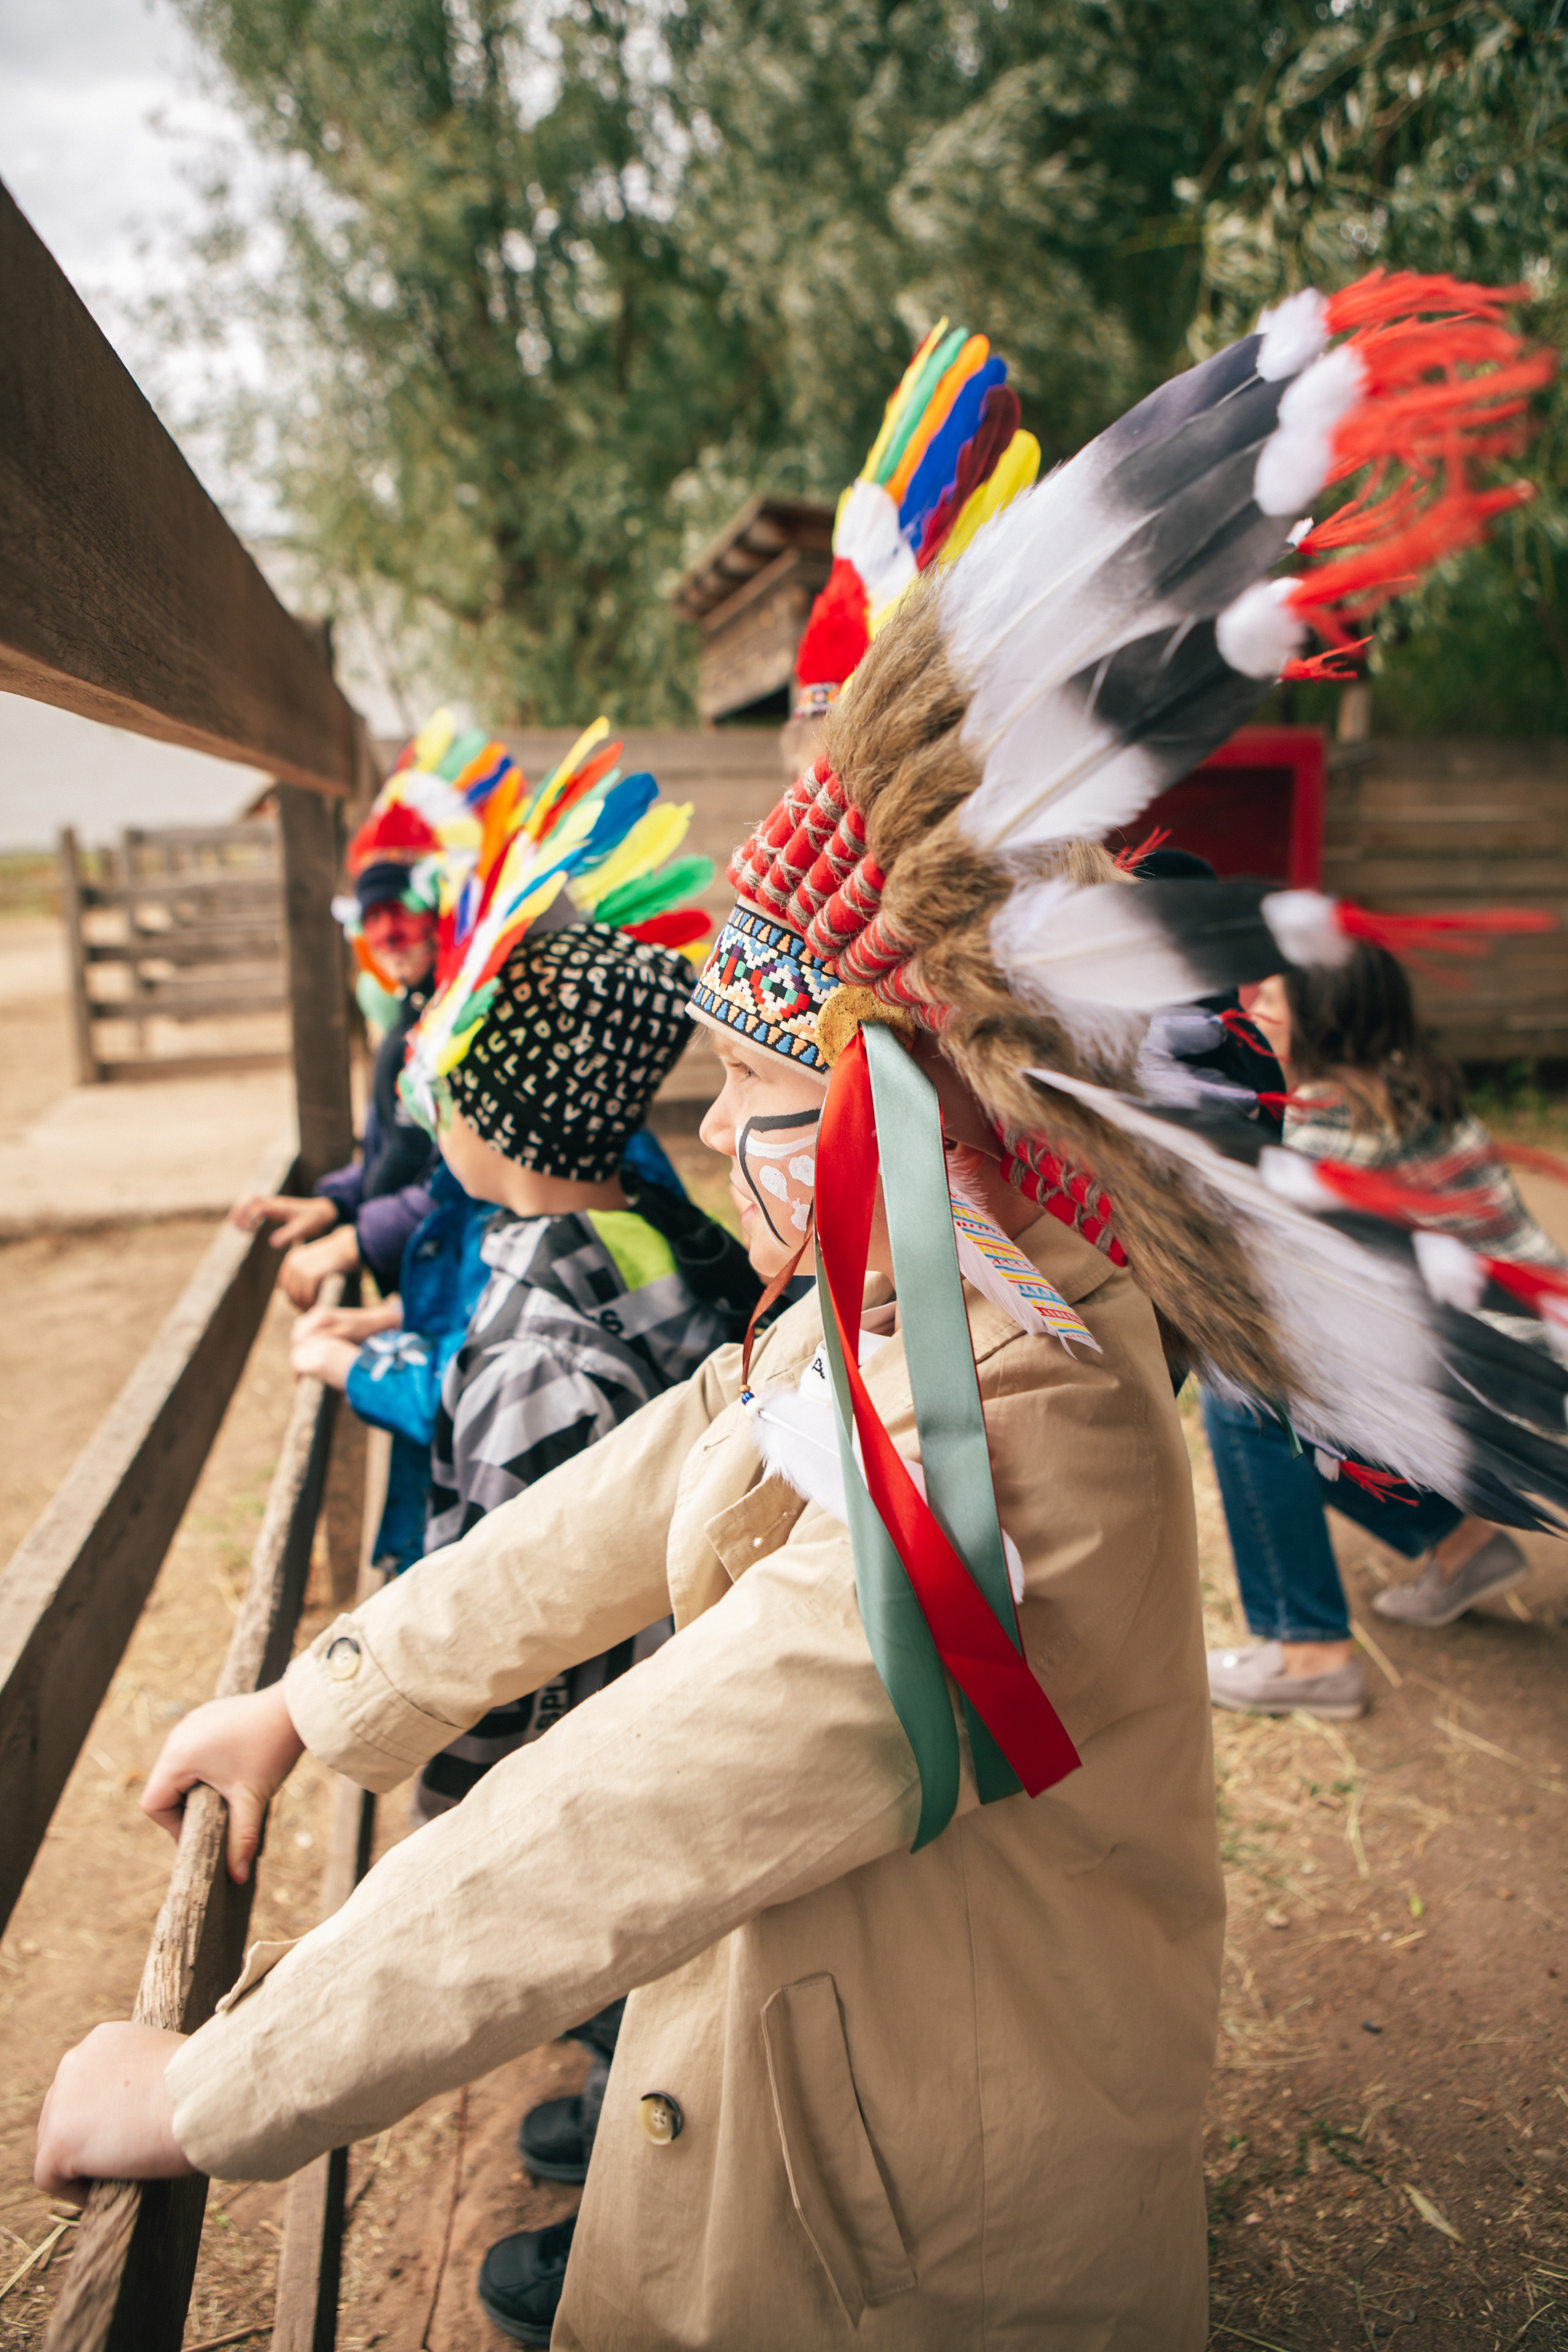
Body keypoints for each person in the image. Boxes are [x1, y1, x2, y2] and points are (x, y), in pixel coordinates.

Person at [35, 270, 1556, 2350]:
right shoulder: (928, 1295)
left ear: (900, 1118)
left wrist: (219, 2088)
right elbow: (665, 1468)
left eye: (761, 1099)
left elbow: (628, 1806)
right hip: (834, 2098)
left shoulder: (1009, 1444)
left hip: (918, 2255)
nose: (726, 1146)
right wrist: (330, 1700)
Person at [1205, 944, 1566, 1721]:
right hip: (1529, 1359)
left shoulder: (1332, 1124)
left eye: (1275, 992)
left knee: (1245, 1392)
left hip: (1511, 1392)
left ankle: (1307, 1656)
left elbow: (1269, 1300)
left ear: (1327, 1012)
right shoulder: (1402, 1086)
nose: (1254, 1000)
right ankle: (1462, 1546)